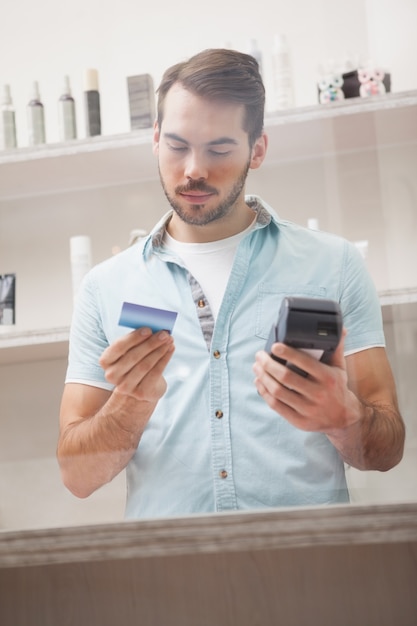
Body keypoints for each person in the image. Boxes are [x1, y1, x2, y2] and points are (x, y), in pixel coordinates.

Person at [57, 48, 405, 519]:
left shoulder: (334, 264)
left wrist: (345, 418)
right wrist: (129, 409)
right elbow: (77, 478)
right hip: (170, 576)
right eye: (177, 146)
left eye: (219, 149)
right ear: (155, 140)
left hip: (306, 570)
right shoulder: (105, 287)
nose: (194, 169)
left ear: (257, 149)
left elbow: (386, 451)